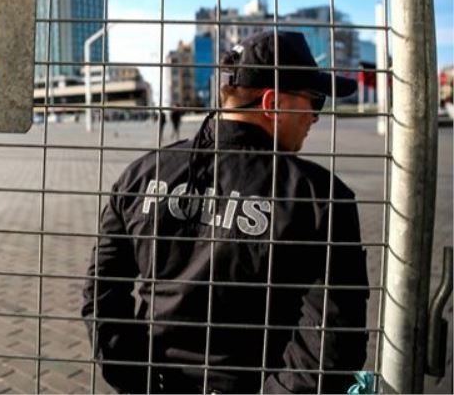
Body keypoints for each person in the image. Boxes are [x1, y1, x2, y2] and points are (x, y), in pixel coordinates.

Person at [82, 31, 369, 394]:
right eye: (315, 100)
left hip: (157, 381)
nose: (314, 116)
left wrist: (136, 379)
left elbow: (101, 293)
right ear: (272, 102)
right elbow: (334, 338)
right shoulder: (319, 197)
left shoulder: (142, 173)